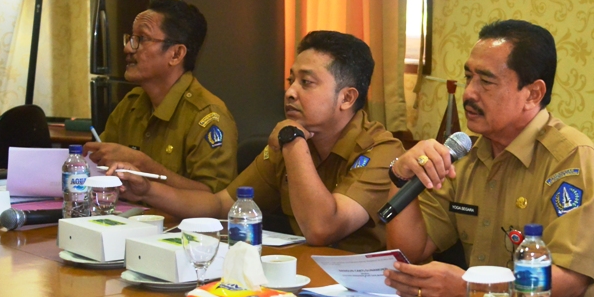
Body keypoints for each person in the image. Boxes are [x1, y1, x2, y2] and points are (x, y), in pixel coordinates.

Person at [383, 19, 594, 297]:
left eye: (486, 81)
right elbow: (409, 253)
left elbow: (570, 281)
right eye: (469, 77)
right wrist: (401, 176)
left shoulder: (570, 158)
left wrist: (470, 288)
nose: (469, 93)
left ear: (533, 94)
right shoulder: (465, 155)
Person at [110, 31, 403, 253]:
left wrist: (293, 142)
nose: (290, 92)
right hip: (306, 275)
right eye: (290, 81)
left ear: (347, 98)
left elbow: (321, 229)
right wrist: (148, 190)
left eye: (306, 82)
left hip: (370, 295)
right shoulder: (292, 138)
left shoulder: (382, 151)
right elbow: (222, 205)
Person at [85, 0, 238, 193]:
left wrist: (143, 165)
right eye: (130, 38)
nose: (128, 48)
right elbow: (99, 165)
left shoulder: (208, 116)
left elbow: (215, 200)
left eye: (141, 39)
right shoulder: (131, 104)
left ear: (176, 54)